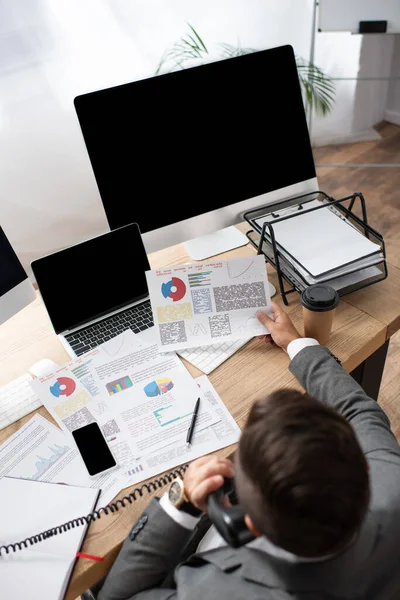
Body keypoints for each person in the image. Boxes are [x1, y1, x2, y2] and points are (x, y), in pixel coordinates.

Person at [85, 301, 400, 600]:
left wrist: (179, 502)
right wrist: (295, 343)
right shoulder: (392, 485)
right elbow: (360, 413)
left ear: (242, 523)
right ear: (365, 466)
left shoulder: (217, 591)